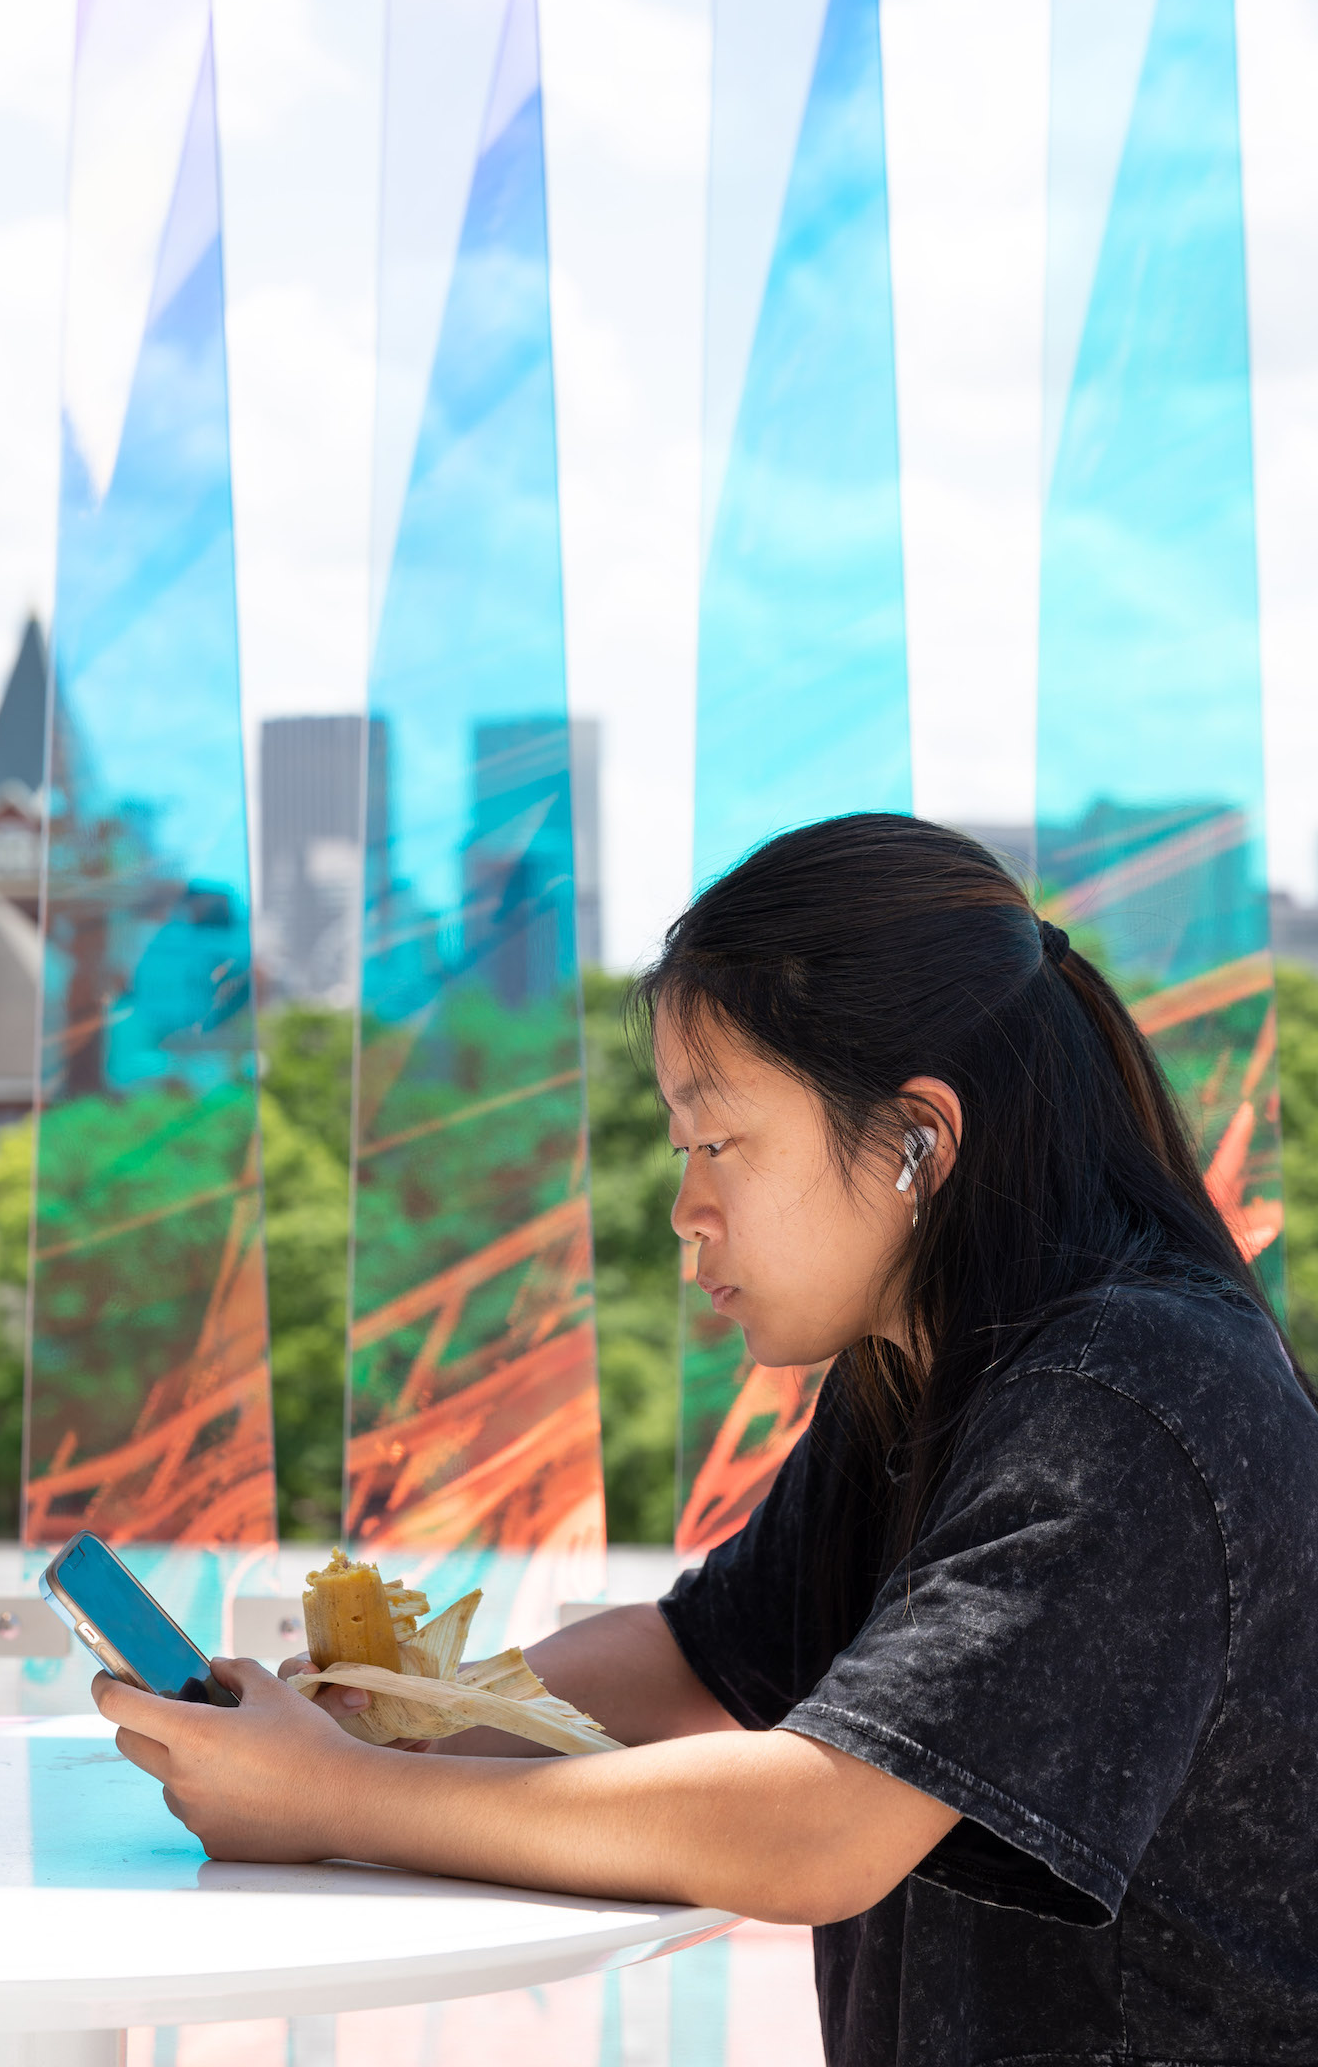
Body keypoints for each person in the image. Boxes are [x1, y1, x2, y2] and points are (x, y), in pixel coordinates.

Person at [95, 814, 1318, 2063]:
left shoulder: (1127, 1399)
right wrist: (402, 1723)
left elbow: (824, 1824)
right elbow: (694, 1661)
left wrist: (338, 1799)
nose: (686, 1211)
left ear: (917, 1140)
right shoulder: (922, 1372)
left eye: (720, 1143)